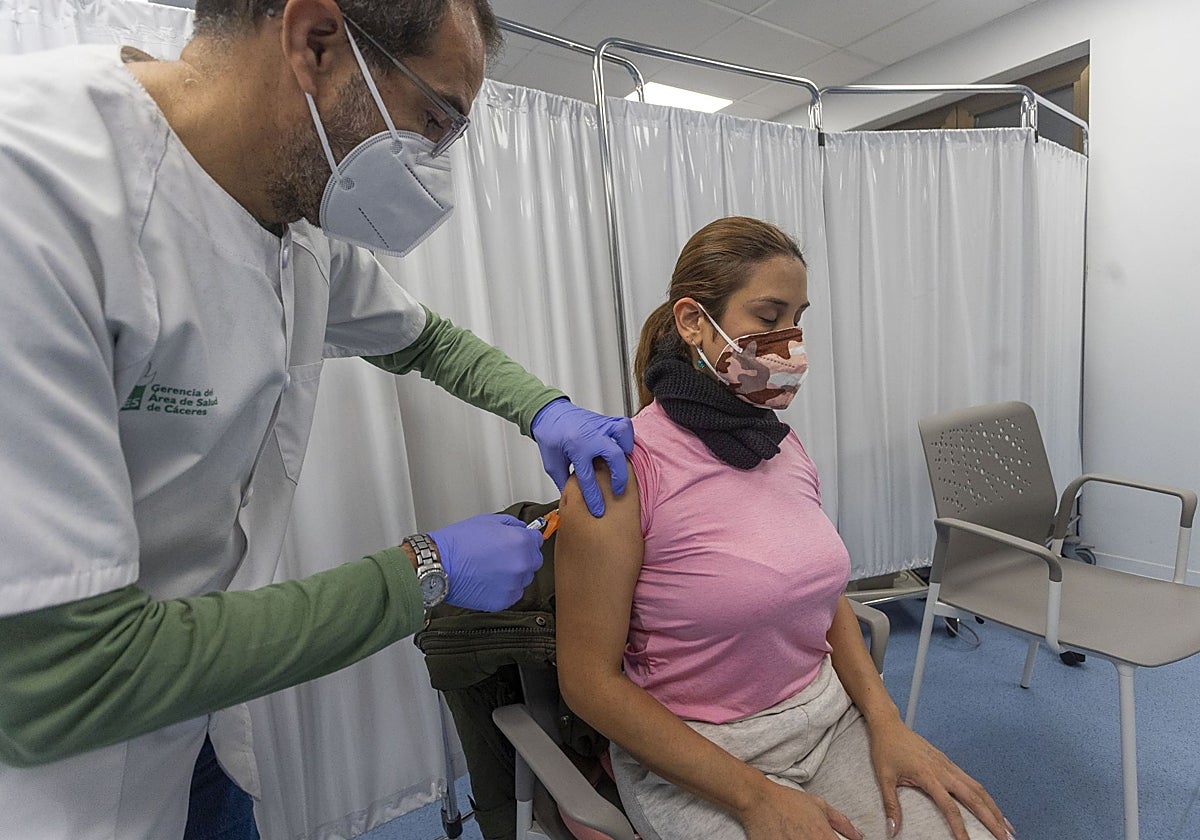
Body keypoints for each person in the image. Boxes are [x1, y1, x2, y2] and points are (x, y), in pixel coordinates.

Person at [0, 0, 633, 838]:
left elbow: (424, 341)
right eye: (435, 118)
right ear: (317, 41)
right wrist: (423, 573)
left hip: (194, 717)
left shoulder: (290, 213)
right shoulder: (35, 192)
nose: (436, 163)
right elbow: (61, 680)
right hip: (52, 777)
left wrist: (545, 408)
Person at [555, 217, 1015, 840]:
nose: (788, 342)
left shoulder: (783, 447)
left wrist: (887, 723)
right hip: (696, 755)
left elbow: (823, 603)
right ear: (693, 321)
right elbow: (588, 682)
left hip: (825, 720)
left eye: (797, 319)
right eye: (769, 316)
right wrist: (754, 800)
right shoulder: (624, 472)